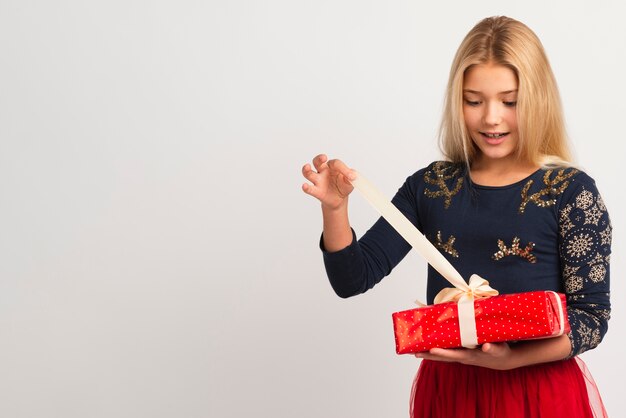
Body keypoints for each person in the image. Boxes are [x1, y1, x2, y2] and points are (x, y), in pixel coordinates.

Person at [301, 16, 611, 418]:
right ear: (457, 100)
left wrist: (510, 362)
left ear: (538, 99)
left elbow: (591, 319)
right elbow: (352, 279)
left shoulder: (571, 192)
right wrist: (335, 208)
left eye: (510, 101)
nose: (491, 117)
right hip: (452, 394)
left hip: (538, 390)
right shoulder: (431, 187)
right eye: (474, 100)